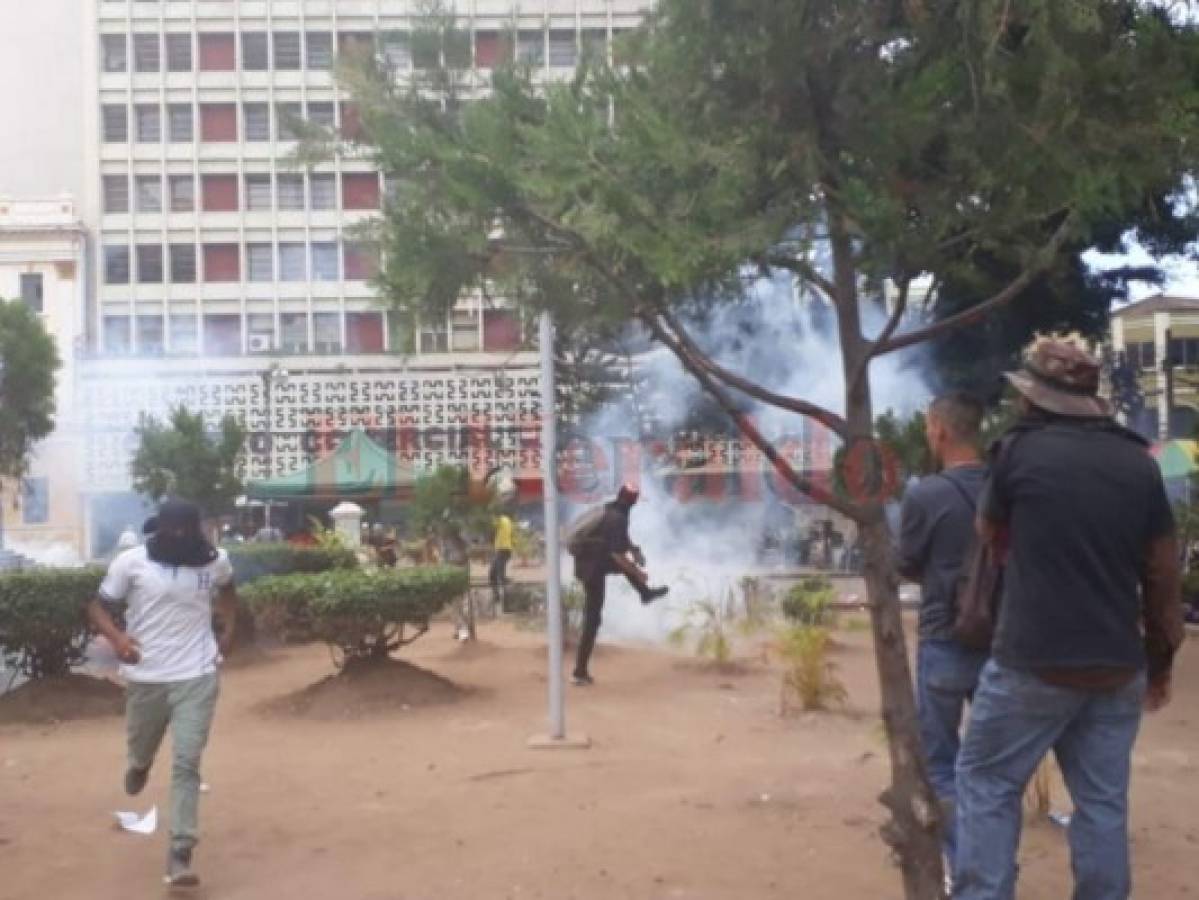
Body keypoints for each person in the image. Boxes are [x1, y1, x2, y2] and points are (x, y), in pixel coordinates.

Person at [954, 342, 1185, 900]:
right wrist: (1159, 663)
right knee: (1102, 803)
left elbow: (988, 535)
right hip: (1115, 666)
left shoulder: (1016, 453)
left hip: (1032, 660)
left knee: (986, 783)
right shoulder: (1139, 462)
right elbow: (1162, 575)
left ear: (1035, 396)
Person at [86, 499, 239, 889]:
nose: (179, 538)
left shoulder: (213, 560)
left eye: (186, 531)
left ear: (196, 531)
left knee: (187, 762)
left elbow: (228, 590)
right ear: (159, 531)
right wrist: (118, 639)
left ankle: (180, 853)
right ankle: (138, 764)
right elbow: (98, 607)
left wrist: (228, 629)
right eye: (171, 531)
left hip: (197, 674)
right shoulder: (132, 562)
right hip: (146, 675)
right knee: (142, 747)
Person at [896, 391, 989, 877]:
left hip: (945, 638)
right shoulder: (1008, 486)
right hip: (1006, 643)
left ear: (940, 430)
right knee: (992, 771)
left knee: (942, 764)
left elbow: (906, 562)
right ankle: (995, 869)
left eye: (929, 426)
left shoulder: (925, 494)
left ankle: (965, 869)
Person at [570, 484, 669, 686]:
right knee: (592, 621)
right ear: (632, 501)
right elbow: (617, 554)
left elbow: (619, 540)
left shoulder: (611, 509)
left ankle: (645, 594)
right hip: (593, 569)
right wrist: (639, 573)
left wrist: (633, 549)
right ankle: (580, 671)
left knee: (625, 568)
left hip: (592, 563)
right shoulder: (618, 517)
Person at [490, 512, 514, 612]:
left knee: (496, 575)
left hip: (502, 550)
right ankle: (498, 597)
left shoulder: (501, 520)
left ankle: (504, 601)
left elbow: (492, 525)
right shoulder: (507, 520)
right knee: (496, 574)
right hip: (505, 549)